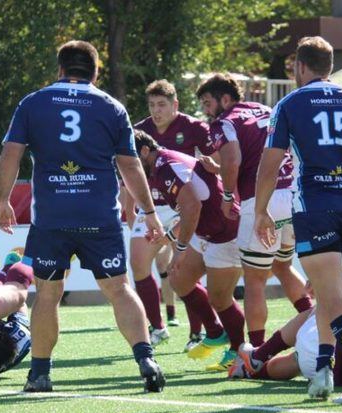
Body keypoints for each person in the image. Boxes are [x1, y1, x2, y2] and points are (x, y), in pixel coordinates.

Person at [0, 40, 166, 393]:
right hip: (99, 215)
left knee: (47, 294)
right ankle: (146, 358)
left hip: (52, 217)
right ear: (96, 71)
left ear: (59, 69)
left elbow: (11, 153)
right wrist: (149, 212)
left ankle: (39, 374)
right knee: (118, 289)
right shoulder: (112, 107)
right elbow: (130, 166)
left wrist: (1, 200)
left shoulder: (33, 102)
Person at [255, 36, 342, 404]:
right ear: (330, 67)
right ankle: (325, 371)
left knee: (332, 297)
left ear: (300, 66)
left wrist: (260, 211)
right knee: (329, 297)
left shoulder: (290, 103)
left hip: (314, 207)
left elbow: (270, 165)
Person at [197, 73, 312, 348]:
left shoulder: (224, 121)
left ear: (225, 98)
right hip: (293, 196)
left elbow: (233, 158)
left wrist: (227, 195)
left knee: (254, 279)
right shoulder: (268, 109)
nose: (205, 109)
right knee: (283, 265)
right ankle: (314, 323)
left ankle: (257, 352)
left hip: (261, 200)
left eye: (207, 102)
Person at [134, 130, 245, 371]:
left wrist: (180, 246)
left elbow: (192, 206)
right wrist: (169, 237)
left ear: (144, 151)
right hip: (208, 230)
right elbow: (191, 208)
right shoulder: (161, 164)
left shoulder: (165, 167)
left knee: (220, 298)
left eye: (131, 160)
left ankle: (239, 351)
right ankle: (216, 332)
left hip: (226, 232)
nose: (129, 167)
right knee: (180, 279)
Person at [130, 79, 218, 347]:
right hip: (152, 206)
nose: (156, 111)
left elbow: (216, 161)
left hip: (185, 206)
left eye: (162, 104)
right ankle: (158, 328)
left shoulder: (194, 127)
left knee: (183, 270)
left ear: (175, 104)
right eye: (152, 105)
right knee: (138, 263)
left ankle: (197, 332)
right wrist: (129, 210)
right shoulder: (139, 131)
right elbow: (128, 174)